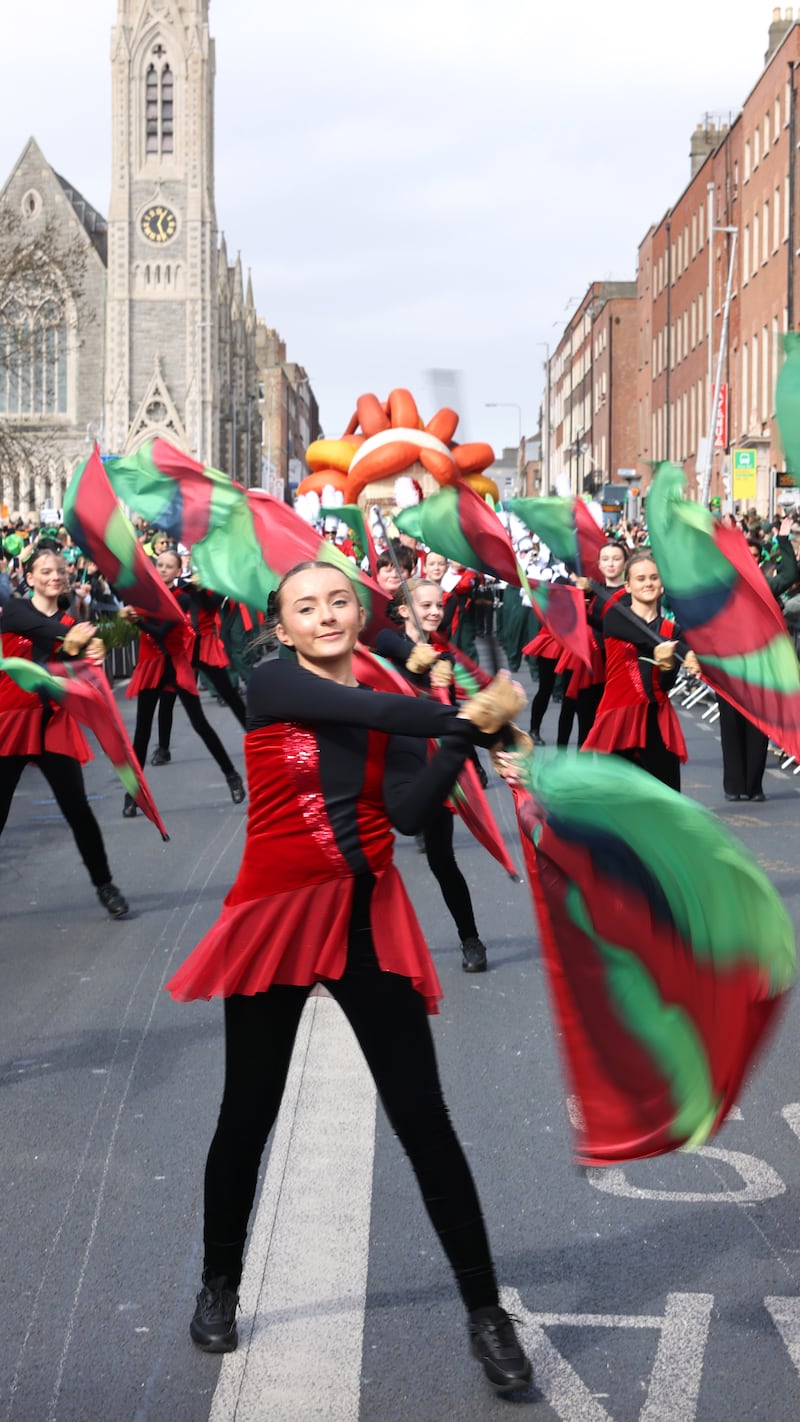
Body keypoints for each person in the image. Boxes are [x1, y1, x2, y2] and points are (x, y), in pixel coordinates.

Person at [166, 560, 532, 1395]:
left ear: (361, 613)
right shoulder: (272, 684)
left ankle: (486, 1314)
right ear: (283, 624)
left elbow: (406, 812)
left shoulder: (398, 709)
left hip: (365, 915)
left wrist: (458, 742)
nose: (325, 615)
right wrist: (466, 714)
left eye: (338, 601)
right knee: (246, 1112)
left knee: (424, 1121)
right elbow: (371, 708)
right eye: (307, 606)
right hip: (277, 914)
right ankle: (219, 1281)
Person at [0, 546, 129, 917]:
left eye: (60, 570)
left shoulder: (74, 625)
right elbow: (40, 630)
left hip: (52, 724)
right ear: (29, 578)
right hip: (10, 722)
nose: (55, 576)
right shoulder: (15, 610)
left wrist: (94, 651)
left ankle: (105, 885)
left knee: (78, 810)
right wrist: (78, 639)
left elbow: (80, 670)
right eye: (45, 571)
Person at [375, 577, 491, 973]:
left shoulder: (446, 656)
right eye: (424, 605)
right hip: (381, 759)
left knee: (443, 860)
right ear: (404, 609)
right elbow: (393, 647)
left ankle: (470, 939)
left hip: (429, 762)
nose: (434, 612)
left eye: (438, 605)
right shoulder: (389, 644)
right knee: (362, 856)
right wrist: (421, 659)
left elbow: (457, 713)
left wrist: (477, 760)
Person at [119, 549, 245, 814]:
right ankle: (132, 795)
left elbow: (161, 633)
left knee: (200, 724)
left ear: (179, 571)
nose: (163, 569)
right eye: (159, 565)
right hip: (150, 666)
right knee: (141, 734)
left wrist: (138, 621)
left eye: (169, 566)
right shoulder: (145, 597)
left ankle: (231, 775)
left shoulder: (182, 598)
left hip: (175, 665)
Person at [581, 551, 699, 790]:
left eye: (654, 578)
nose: (648, 583)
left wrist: (669, 665)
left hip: (656, 720)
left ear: (662, 584)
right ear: (628, 585)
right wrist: (683, 652)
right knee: (618, 805)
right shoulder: (616, 616)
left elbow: (665, 686)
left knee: (666, 800)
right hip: (619, 718)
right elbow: (644, 636)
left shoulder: (671, 630)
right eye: (641, 578)